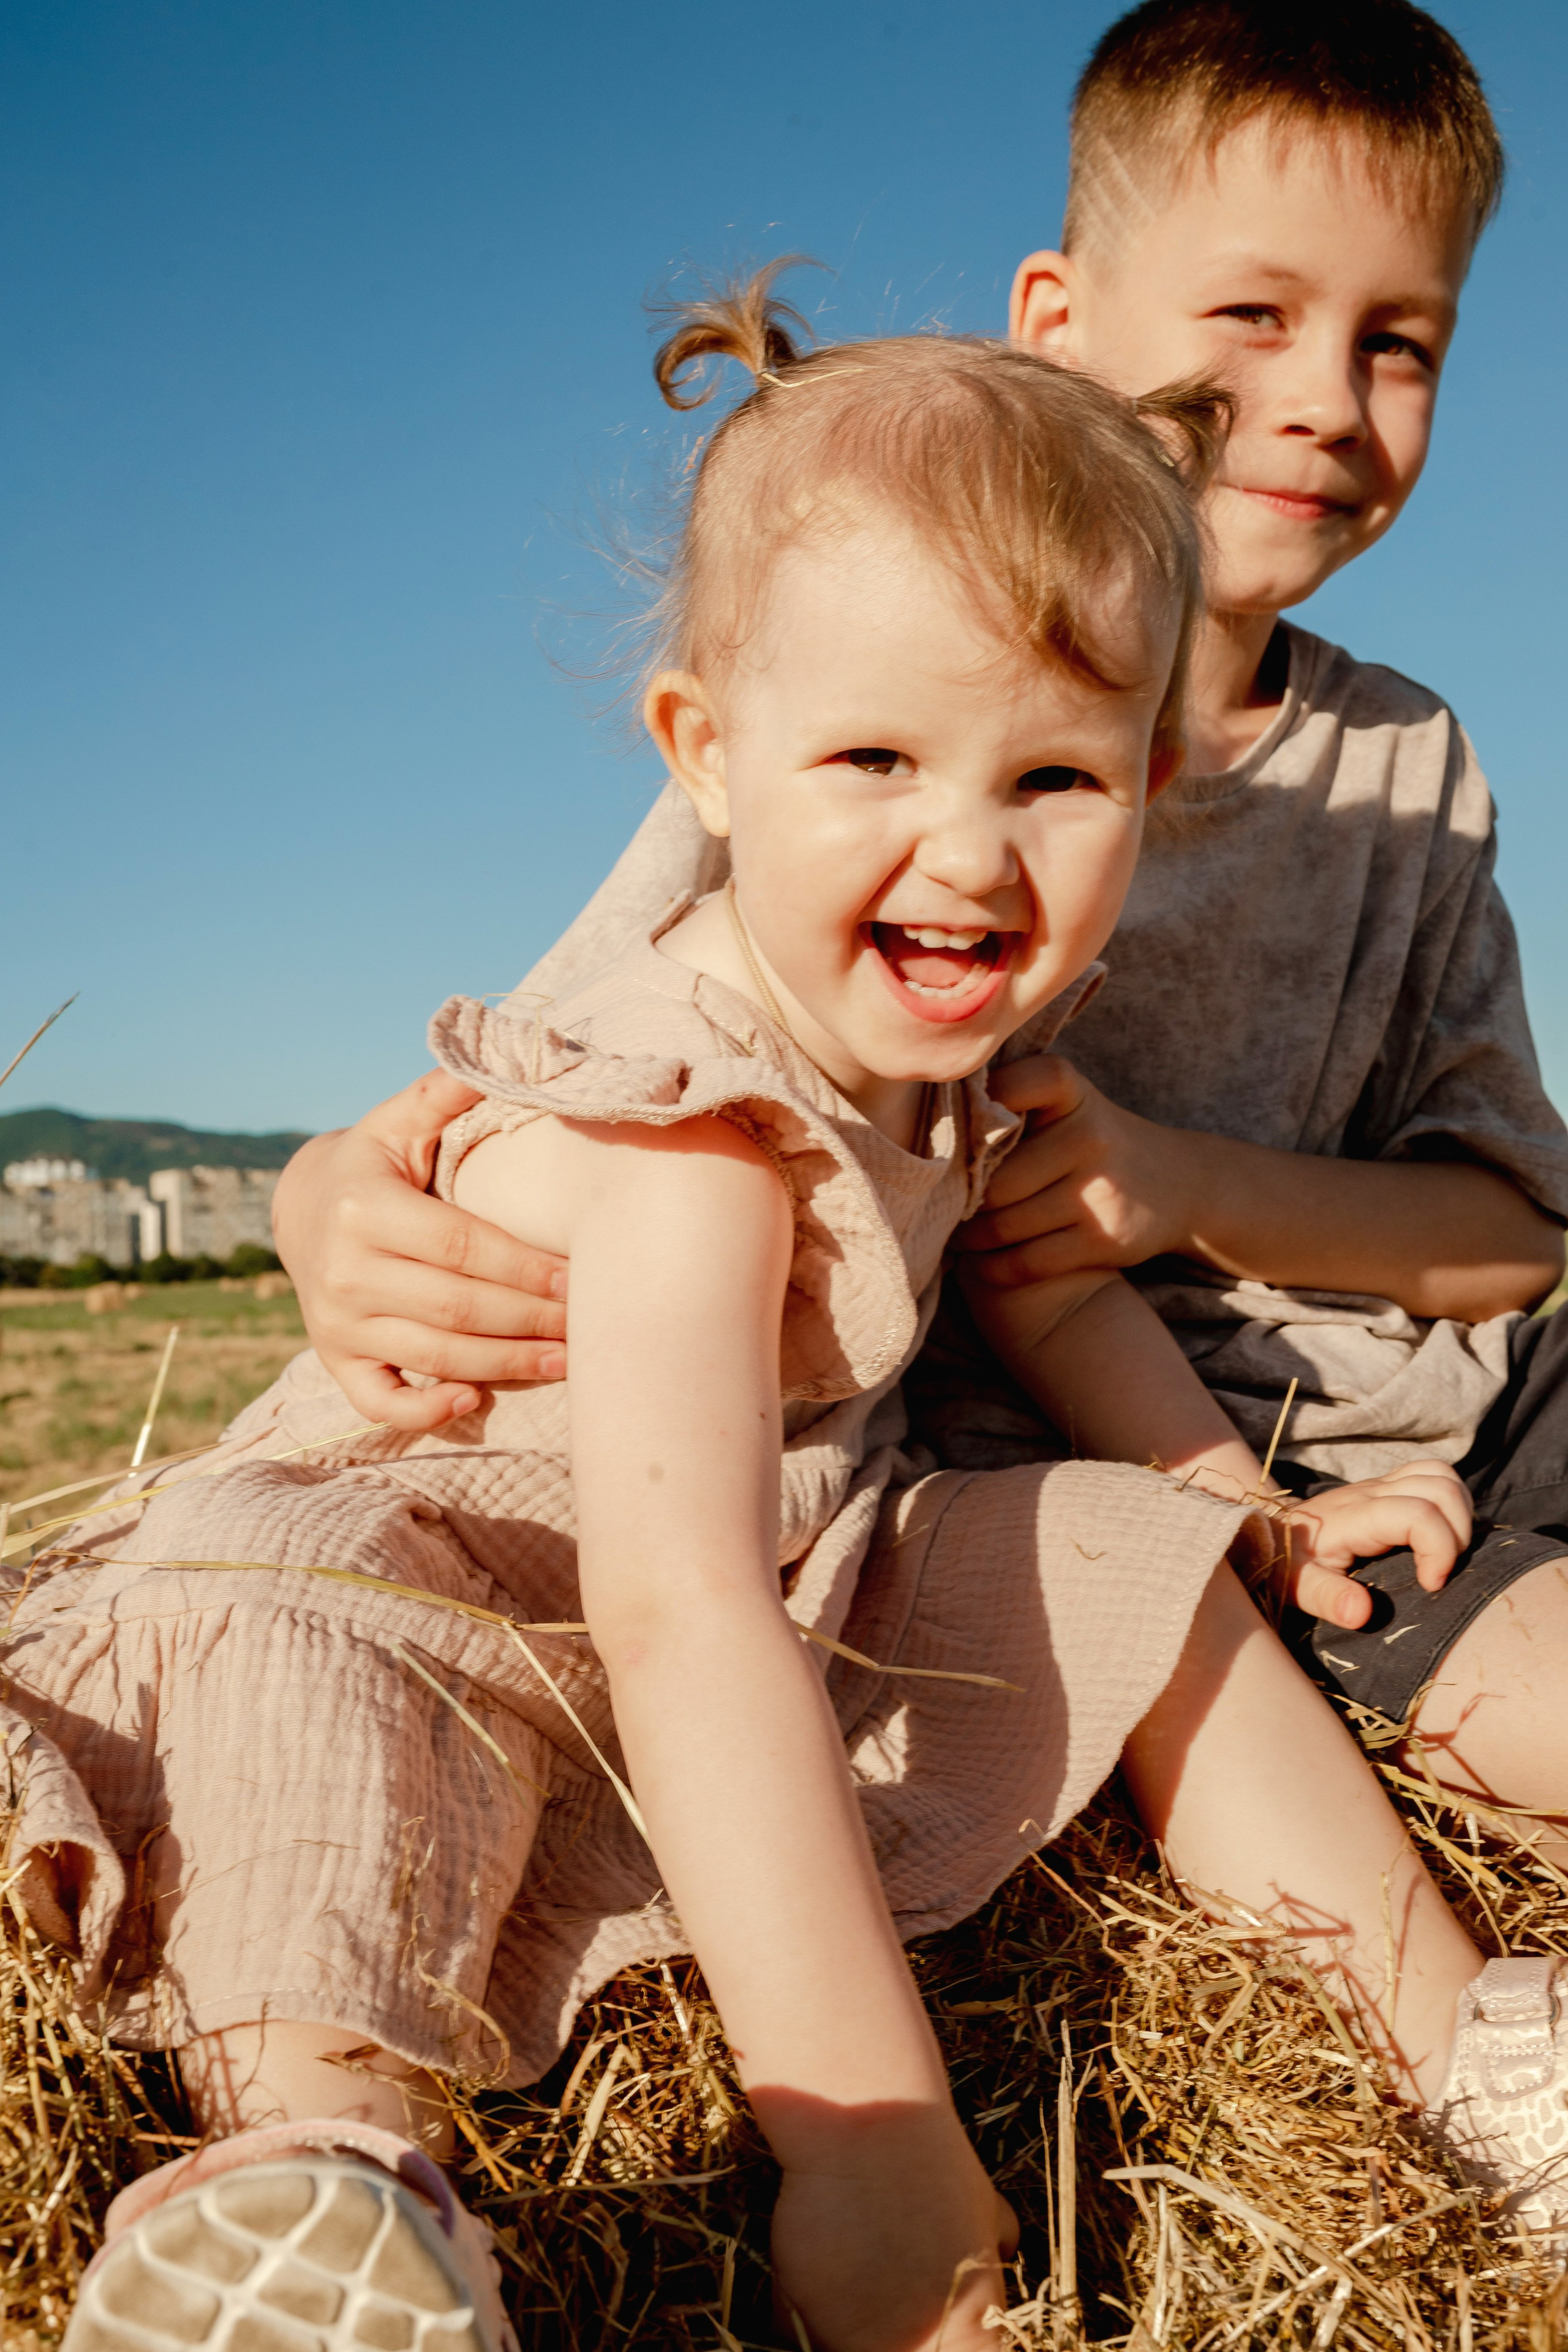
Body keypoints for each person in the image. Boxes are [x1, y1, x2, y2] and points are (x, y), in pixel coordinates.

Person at [2, 285, 1540, 2352]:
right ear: (707, 759)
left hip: (768, 1564)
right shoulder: (698, 1109)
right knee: (316, 1720)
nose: (971, 852)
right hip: (450, 1569)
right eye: (878, 757)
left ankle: (1472, 2060)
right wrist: (872, 2140)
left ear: (1154, 778)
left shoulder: (984, 1058)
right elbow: (674, 1611)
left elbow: (1051, 1291)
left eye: (1056, 778)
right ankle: (327, 2180)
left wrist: (1223, 1497)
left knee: (1135, 1570)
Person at [273, 0, 1568, 1859]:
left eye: (1399, 343)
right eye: (1253, 316)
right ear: (1056, 323)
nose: (1319, 398)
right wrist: (321, 1194)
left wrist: (1178, 1183)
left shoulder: (1414, 764)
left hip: (1463, 1400)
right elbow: (583, 1079)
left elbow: (1514, 1240)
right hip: (1186, 1467)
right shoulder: (842, 728)